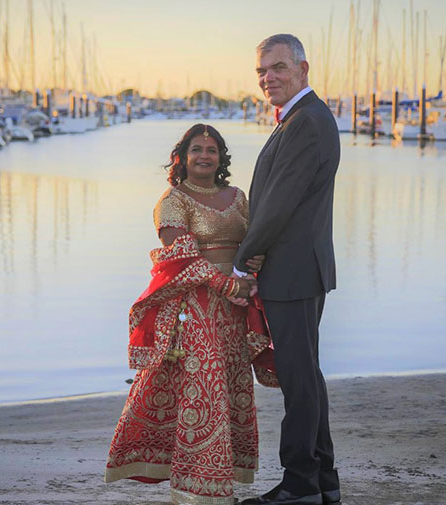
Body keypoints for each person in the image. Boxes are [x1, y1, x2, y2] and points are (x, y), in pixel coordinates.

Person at [105, 123, 278, 505]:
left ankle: (223, 480)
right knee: (204, 392)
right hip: (194, 307)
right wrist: (227, 287)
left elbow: (251, 241)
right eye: (196, 149)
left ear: (221, 157)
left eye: (211, 149)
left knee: (231, 387)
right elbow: (181, 257)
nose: (204, 155)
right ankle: (197, 492)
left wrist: (253, 263)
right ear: (181, 158)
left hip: (235, 311)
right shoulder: (173, 200)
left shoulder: (237, 197)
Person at [235, 34, 341, 505]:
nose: (268, 78)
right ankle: (323, 479)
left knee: (299, 380)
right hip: (299, 268)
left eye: (277, 67)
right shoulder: (302, 118)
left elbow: (278, 204)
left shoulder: (306, 121)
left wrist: (244, 259)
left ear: (303, 68)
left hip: (293, 271)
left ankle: (300, 482)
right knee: (306, 375)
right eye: (261, 71)